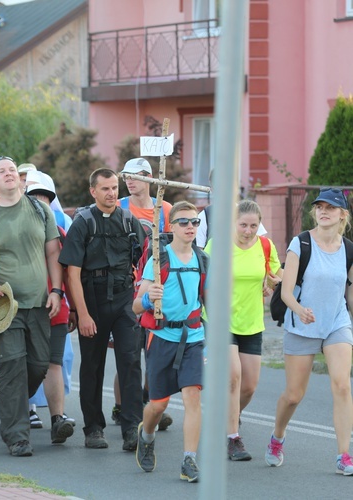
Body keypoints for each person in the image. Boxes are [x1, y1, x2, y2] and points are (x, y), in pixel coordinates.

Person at [0, 156, 62, 457]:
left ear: (21, 179)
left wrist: (57, 290)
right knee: (12, 367)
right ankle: (17, 436)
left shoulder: (40, 209)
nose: (8, 175)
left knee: (37, 365)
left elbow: (53, 253)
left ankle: (12, 404)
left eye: (12, 171)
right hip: (3, 306)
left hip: (37, 303)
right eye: (1, 172)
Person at [265, 188, 353, 475]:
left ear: (342, 214)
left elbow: (349, 294)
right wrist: (300, 310)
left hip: (336, 322)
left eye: (331, 207)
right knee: (294, 394)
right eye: (319, 207)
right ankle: (278, 436)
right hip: (302, 323)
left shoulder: (348, 248)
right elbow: (287, 291)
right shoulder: (301, 243)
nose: (323, 211)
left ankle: (344, 454)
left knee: (342, 385)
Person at [59, 168, 146, 451]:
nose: (111, 193)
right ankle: (93, 428)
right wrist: (82, 314)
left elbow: (143, 259)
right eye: (105, 189)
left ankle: (133, 428)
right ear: (93, 191)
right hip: (92, 300)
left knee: (131, 362)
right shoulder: (82, 223)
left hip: (123, 299)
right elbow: (72, 274)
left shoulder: (129, 219)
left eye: (114, 188)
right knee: (93, 365)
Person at [133, 201, 207, 483]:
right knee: (158, 405)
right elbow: (136, 308)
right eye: (184, 222)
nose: (190, 227)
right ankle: (147, 435)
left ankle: (189, 460)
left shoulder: (202, 260)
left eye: (195, 222)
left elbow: (208, 302)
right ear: (171, 226)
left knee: (193, 397)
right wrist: (149, 297)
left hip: (193, 337)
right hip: (162, 337)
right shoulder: (158, 260)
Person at [204, 200, 281, 460]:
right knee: (233, 376)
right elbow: (203, 278)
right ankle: (233, 438)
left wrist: (271, 284)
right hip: (220, 320)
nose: (248, 231)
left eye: (253, 226)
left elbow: (275, 274)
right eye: (243, 225)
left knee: (249, 386)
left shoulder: (265, 246)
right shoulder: (218, 245)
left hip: (251, 321)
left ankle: (226, 419)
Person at [111, 157, 173, 432]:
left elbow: (174, 250)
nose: (129, 180)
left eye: (135, 175)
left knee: (156, 352)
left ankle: (148, 404)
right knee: (128, 353)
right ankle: (121, 405)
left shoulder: (166, 209)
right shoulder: (119, 207)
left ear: (151, 177)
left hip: (156, 291)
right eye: (126, 176)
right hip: (126, 290)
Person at [25, 180, 75, 444]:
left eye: (45, 198)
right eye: (34, 198)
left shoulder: (59, 233)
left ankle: (58, 419)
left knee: (53, 363)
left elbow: (69, 274)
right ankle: (20, 411)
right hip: (22, 309)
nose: (39, 202)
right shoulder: (16, 233)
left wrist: (76, 308)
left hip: (56, 308)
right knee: (29, 365)